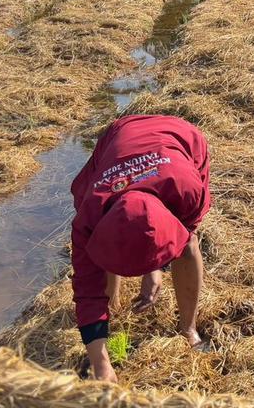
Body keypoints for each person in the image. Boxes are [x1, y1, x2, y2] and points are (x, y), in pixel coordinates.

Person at [71, 114, 211, 383]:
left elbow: (182, 235)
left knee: (188, 244)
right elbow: (86, 291)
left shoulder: (187, 192)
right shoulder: (88, 216)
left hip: (181, 139)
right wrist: (100, 365)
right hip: (121, 134)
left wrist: (154, 267)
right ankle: (111, 305)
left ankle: (188, 328)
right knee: (102, 272)